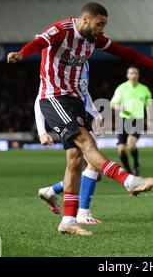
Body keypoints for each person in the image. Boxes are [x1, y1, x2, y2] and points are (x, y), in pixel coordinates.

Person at [7, 2, 153, 235]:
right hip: (54, 96)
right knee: (87, 143)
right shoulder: (61, 30)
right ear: (85, 19)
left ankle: (68, 221)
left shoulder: (92, 39)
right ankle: (128, 180)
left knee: (75, 160)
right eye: (99, 24)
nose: (102, 30)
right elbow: (39, 43)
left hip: (75, 100)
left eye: (104, 25)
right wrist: (22, 53)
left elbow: (123, 51)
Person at [36, 62, 104, 224]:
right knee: (94, 164)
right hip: (65, 113)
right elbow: (41, 97)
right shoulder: (57, 62)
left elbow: (84, 92)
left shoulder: (83, 61)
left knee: (96, 173)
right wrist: (42, 132)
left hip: (80, 114)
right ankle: (83, 212)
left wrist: (96, 114)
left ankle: (51, 191)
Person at [110, 66, 153, 176]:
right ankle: (128, 171)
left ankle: (136, 165)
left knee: (131, 144)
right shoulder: (121, 88)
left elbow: (148, 105)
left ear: (138, 75)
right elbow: (113, 103)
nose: (134, 75)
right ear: (127, 75)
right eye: (131, 73)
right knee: (121, 150)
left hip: (138, 120)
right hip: (123, 120)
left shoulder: (144, 89)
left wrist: (150, 119)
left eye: (136, 73)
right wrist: (120, 108)